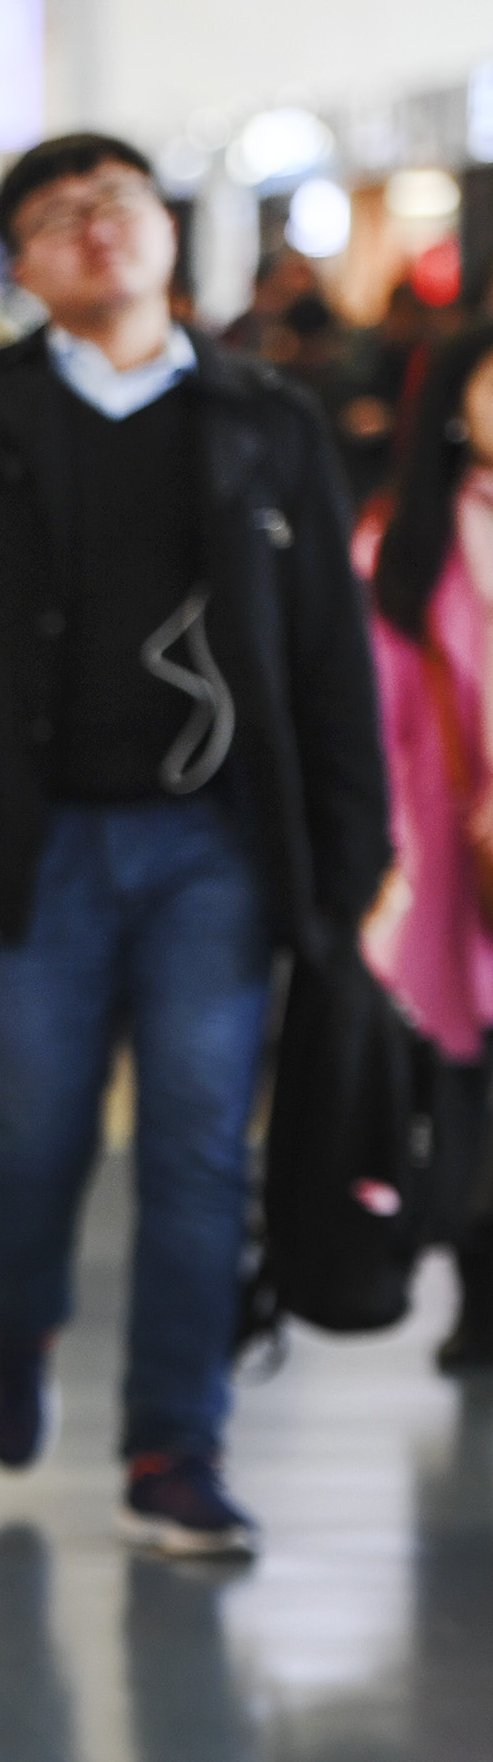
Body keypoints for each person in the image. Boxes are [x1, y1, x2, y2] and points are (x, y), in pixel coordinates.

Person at [0, 130, 390, 1556]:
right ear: (20, 267)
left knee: (197, 1146)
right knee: (28, 1135)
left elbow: (329, 654)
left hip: (210, 848)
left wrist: (354, 854)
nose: (93, 230)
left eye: (115, 204)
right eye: (54, 217)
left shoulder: (259, 418)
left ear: (164, 230)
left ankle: (173, 1445)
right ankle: (18, 1319)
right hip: (30, 842)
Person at [364, 319, 493, 1373]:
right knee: (463, 1082)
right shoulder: (406, 546)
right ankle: (479, 1292)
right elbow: (383, 722)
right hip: (454, 861)